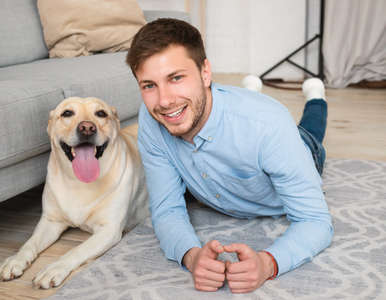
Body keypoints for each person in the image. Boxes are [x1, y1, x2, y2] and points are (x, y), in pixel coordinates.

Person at [126, 18, 333, 294]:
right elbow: (166, 210)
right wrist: (191, 255)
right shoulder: (152, 119)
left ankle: (316, 95)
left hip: (296, 145)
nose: (163, 101)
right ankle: (250, 92)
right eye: (149, 85)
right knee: (241, 120)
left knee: (310, 131)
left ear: (205, 72)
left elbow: (316, 221)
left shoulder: (269, 126)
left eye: (176, 78)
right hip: (242, 119)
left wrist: (268, 262)